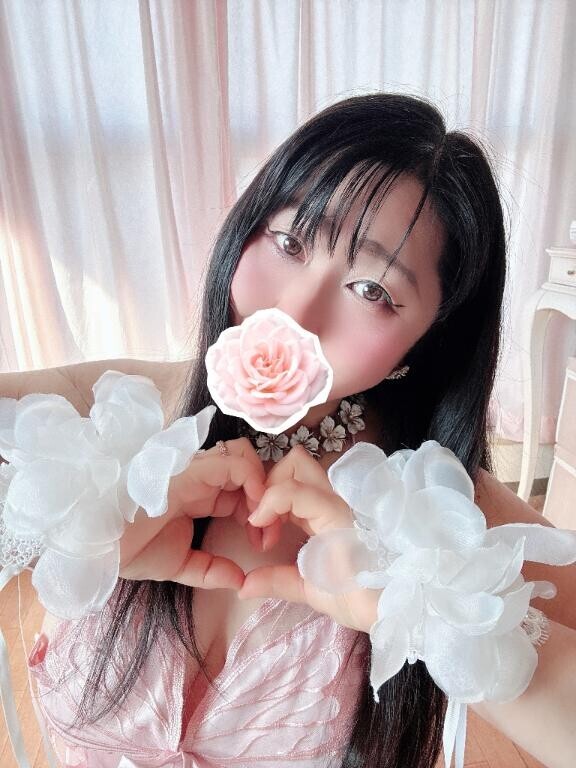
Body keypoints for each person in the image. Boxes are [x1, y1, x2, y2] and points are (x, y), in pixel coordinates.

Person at [2, 93, 576, 768]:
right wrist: (77, 537)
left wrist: (422, 608)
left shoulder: (444, 516)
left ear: (426, 343)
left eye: (373, 290)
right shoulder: (122, 417)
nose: (297, 311)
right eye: (291, 242)